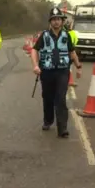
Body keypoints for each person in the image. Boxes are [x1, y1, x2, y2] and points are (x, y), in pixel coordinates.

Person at [31, 7, 82, 138]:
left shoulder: (67, 36)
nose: (56, 22)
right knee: (48, 98)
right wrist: (36, 65)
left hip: (62, 71)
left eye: (58, 19)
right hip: (46, 72)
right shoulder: (44, 35)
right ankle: (48, 120)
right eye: (53, 20)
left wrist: (78, 66)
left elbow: (71, 51)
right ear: (50, 22)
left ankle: (62, 128)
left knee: (60, 99)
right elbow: (34, 50)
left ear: (62, 21)